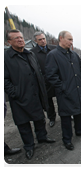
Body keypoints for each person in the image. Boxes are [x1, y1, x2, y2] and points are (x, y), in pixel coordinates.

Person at [4, 29, 55, 160]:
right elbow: (4, 79)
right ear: (9, 42)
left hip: (35, 94)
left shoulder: (30, 54)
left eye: (21, 37)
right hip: (20, 97)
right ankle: (29, 146)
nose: (20, 40)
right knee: (23, 123)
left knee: (39, 118)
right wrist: (14, 92)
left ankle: (42, 137)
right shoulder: (5, 57)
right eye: (16, 38)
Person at [45, 31, 81, 150]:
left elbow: (79, 68)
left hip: (77, 88)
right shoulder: (53, 55)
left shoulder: (74, 54)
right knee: (66, 117)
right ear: (61, 38)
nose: (71, 42)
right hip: (65, 91)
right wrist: (62, 87)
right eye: (69, 39)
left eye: (72, 40)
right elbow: (51, 75)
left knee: (79, 111)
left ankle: (79, 130)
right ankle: (67, 139)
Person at [30, 32, 57, 127]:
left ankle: (67, 114)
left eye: (44, 38)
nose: (43, 41)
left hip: (56, 78)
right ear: (35, 41)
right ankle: (52, 118)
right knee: (48, 101)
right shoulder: (32, 53)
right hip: (44, 81)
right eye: (40, 40)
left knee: (62, 98)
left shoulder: (54, 48)